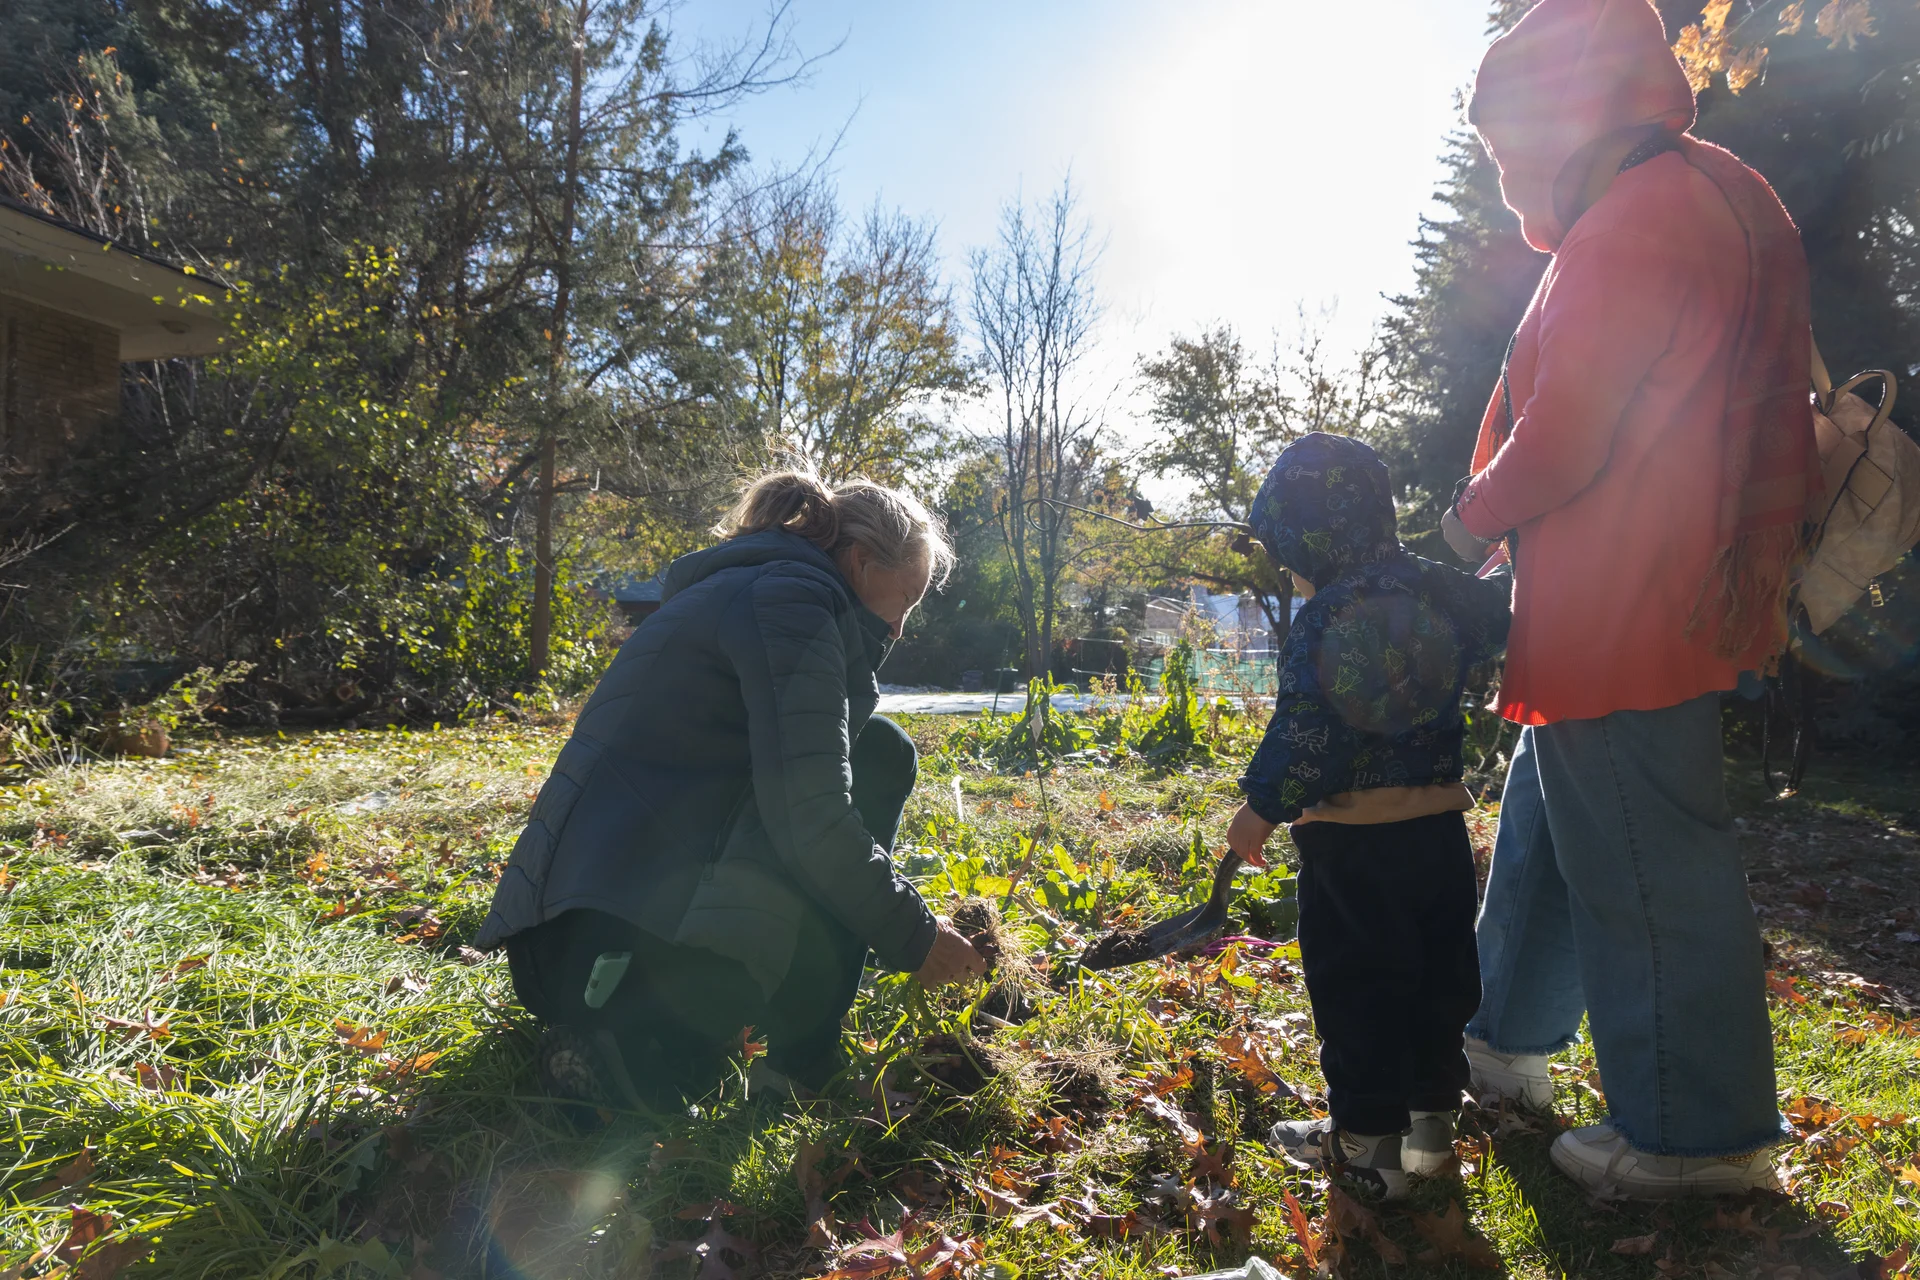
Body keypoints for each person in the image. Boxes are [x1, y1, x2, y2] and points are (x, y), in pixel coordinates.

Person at [1440, 0, 1819, 1198]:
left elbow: (1568, 437)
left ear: (1572, 114)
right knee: (1561, 831)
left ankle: (1695, 1136)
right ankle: (1505, 1039)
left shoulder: (1635, 220)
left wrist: (1466, 521)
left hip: (1623, 602)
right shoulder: (1716, 189)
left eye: (1511, 145)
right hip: (1656, 588)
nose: (1509, 178)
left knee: (1653, 866)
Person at [474, 469, 988, 1109]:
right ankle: (796, 1060)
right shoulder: (794, 602)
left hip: (562, 948)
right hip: (608, 946)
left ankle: (631, 1039)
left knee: (867, 743)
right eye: (905, 601)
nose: (902, 628)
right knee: (880, 756)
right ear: (859, 563)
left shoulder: (742, 585)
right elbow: (813, 819)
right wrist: (919, 937)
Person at [1231, 432, 1511, 1202]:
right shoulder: (1438, 589)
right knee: (1436, 982)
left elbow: (1309, 731)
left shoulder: (1326, 617)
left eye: (1287, 547)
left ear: (1311, 534)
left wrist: (1259, 808)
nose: (1287, 565)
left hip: (1352, 849)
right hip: (1439, 838)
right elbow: (1502, 614)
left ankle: (1367, 1151)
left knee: (1359, 992)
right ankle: (1430, 1134)